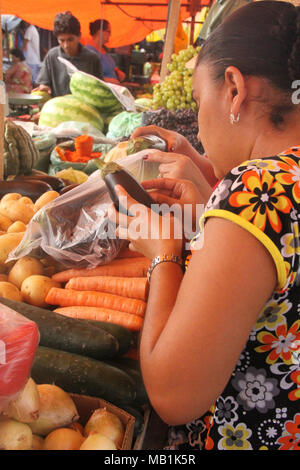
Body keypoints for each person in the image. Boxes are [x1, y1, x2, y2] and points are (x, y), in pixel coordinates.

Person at [109, 1, 300, 451]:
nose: (198, 122)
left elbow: (175, 396)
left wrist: (164, 253)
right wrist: (207, 223)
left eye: (198, 101)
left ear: (233, 89)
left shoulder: (256, 188)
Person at [34, 12, 103, 97]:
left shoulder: (93, 59)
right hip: (57, 108)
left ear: (79, 36)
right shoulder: (52, 56)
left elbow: (100, 90)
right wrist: (43, 87)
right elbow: (44, 83)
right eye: (62, 40)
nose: (66, 45)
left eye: (70, 40)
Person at [85, 19, 126, 84]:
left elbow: (108, 66)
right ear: (100, 32)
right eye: (108, 31)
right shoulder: (89, 51)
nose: (110, 35)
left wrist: (117, 71)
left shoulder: (103, 49)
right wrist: (108, 80)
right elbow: (88, 77)